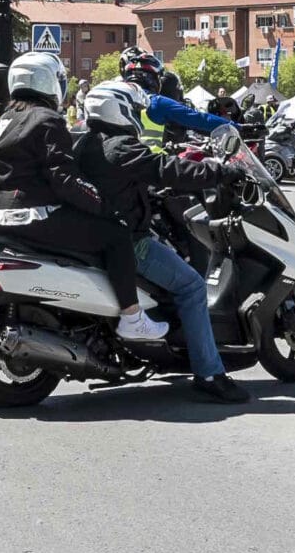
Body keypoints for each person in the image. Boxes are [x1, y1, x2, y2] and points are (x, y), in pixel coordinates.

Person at [77, 82, 250, 401]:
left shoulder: (85, 143)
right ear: (118, 109)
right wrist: (217, 173)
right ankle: (209, 373)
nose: (137, 113)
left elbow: (122, 181)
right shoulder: (122, 146)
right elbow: (166, 168)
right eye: (132, 107)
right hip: (129, 240)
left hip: (94, 233)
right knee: (192, 286)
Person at [0, 51, 159, 342]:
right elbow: (64, 178)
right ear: (48, 82)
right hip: (32, 215)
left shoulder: (1, 122)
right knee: (116, 234)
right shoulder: (48, 120)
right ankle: (132, 316)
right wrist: (104, 206)